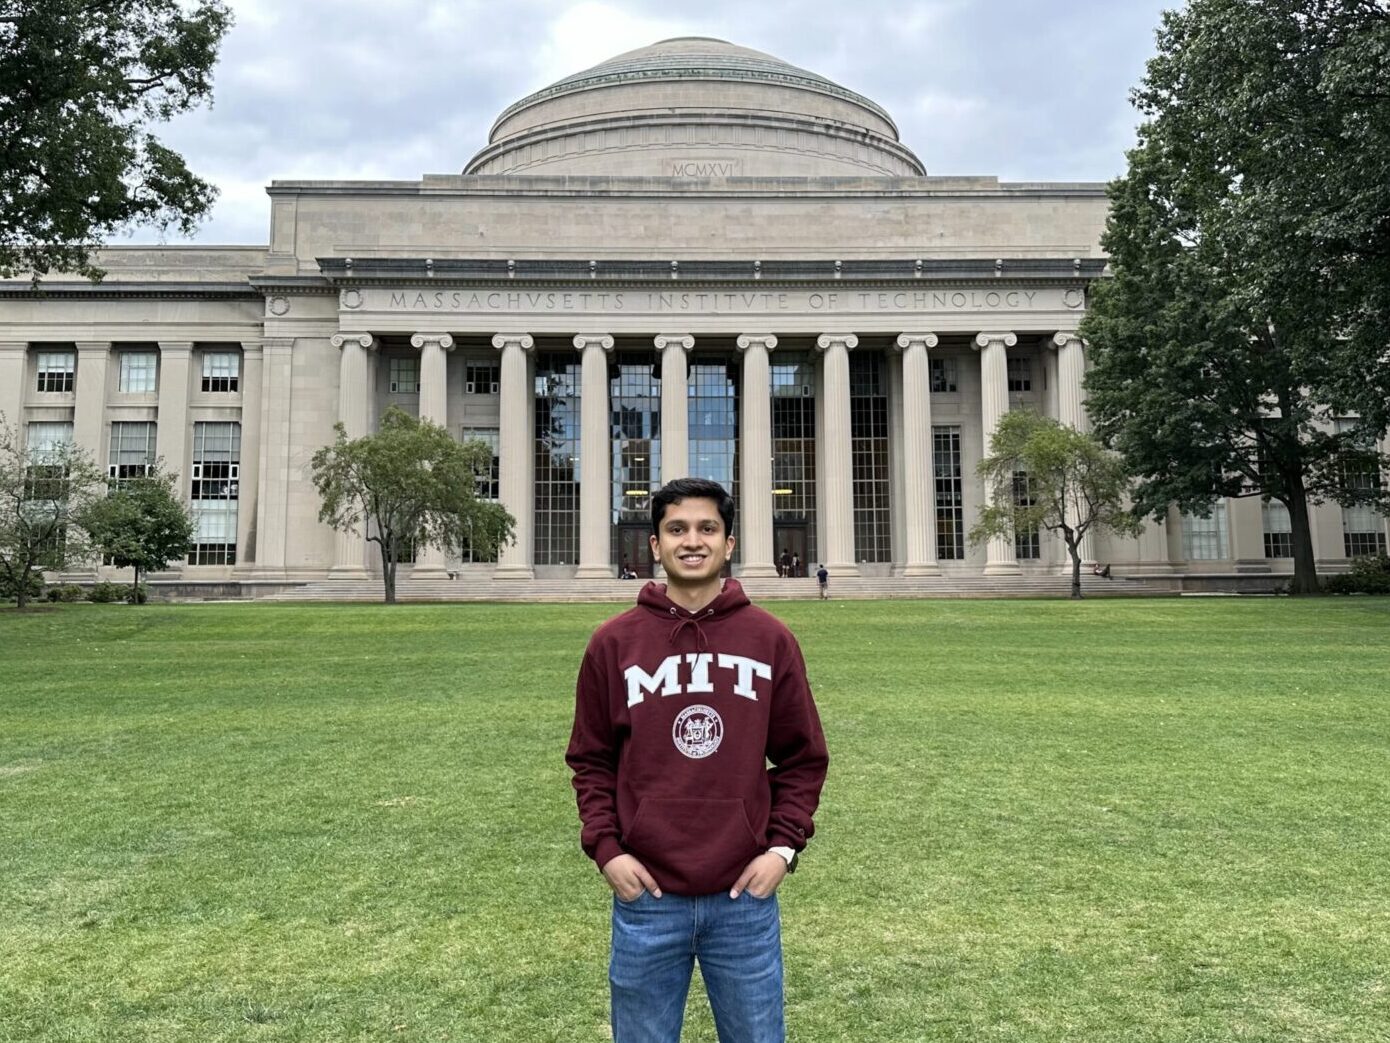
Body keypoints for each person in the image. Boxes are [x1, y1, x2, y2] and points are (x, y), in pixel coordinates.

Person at [567, 477, 829, 1043]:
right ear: (655, 545)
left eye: (707, 528)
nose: (693, 541)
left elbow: (803, 759)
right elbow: (590, 760)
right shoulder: (613, 643)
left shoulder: (770, 640)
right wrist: (607, 850)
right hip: (646, 898)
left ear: (729, 543)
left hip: (743, 900)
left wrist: (781, 850)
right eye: (677, 529)